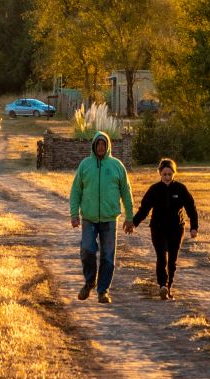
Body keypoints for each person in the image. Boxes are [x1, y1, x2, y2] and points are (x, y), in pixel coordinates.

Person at [68, 130, 134, 304]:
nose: (100, 147)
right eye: (98, 144)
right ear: (93, 146)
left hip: (109, 218)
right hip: (89, 217)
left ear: (108, 146)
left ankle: (103, 291)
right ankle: (90, 281)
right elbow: (76, 191)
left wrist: (130, 217)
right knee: (87, 250)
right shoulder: (85, 165)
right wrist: (74, 214)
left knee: (108, 256)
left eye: (103, 144)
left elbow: (126, 192)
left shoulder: (117, 166)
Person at [132, 158, 199, 299]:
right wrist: (133, 223)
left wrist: (194, 227)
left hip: (176, 228)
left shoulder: (181, 189)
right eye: (164, 174)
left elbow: (191, 208)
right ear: (159, 174)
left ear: (174, 173)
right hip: (158, 228)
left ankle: (168, 288)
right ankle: (162, 285)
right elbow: (144, 209)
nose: (167, 177)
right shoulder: (154, 189)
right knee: (162, 257)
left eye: (170, 174)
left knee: (172, 260)